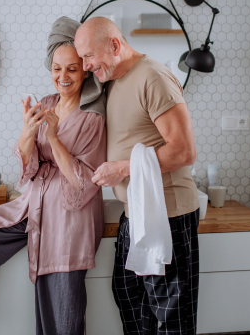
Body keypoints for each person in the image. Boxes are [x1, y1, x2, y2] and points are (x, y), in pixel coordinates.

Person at [0, 17, 106, 335]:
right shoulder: (47, 104)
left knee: (62, 308)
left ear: (85, 69)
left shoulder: (93, 117)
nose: (63, 76)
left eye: (72, 68)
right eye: (57, 68)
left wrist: (55, 138)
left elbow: (82, 183)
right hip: (32, 204)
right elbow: (29, 167)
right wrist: (27, 134)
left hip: (70, 216)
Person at [74, 17, 201, 335]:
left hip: (169, 213)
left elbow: (184, 151)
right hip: (137, 211)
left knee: (171, 314)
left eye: (89, 56)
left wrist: (124, 167)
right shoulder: (114, 80)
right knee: (129, 298)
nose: (86, 65)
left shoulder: (153, 76)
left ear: (115, 44)